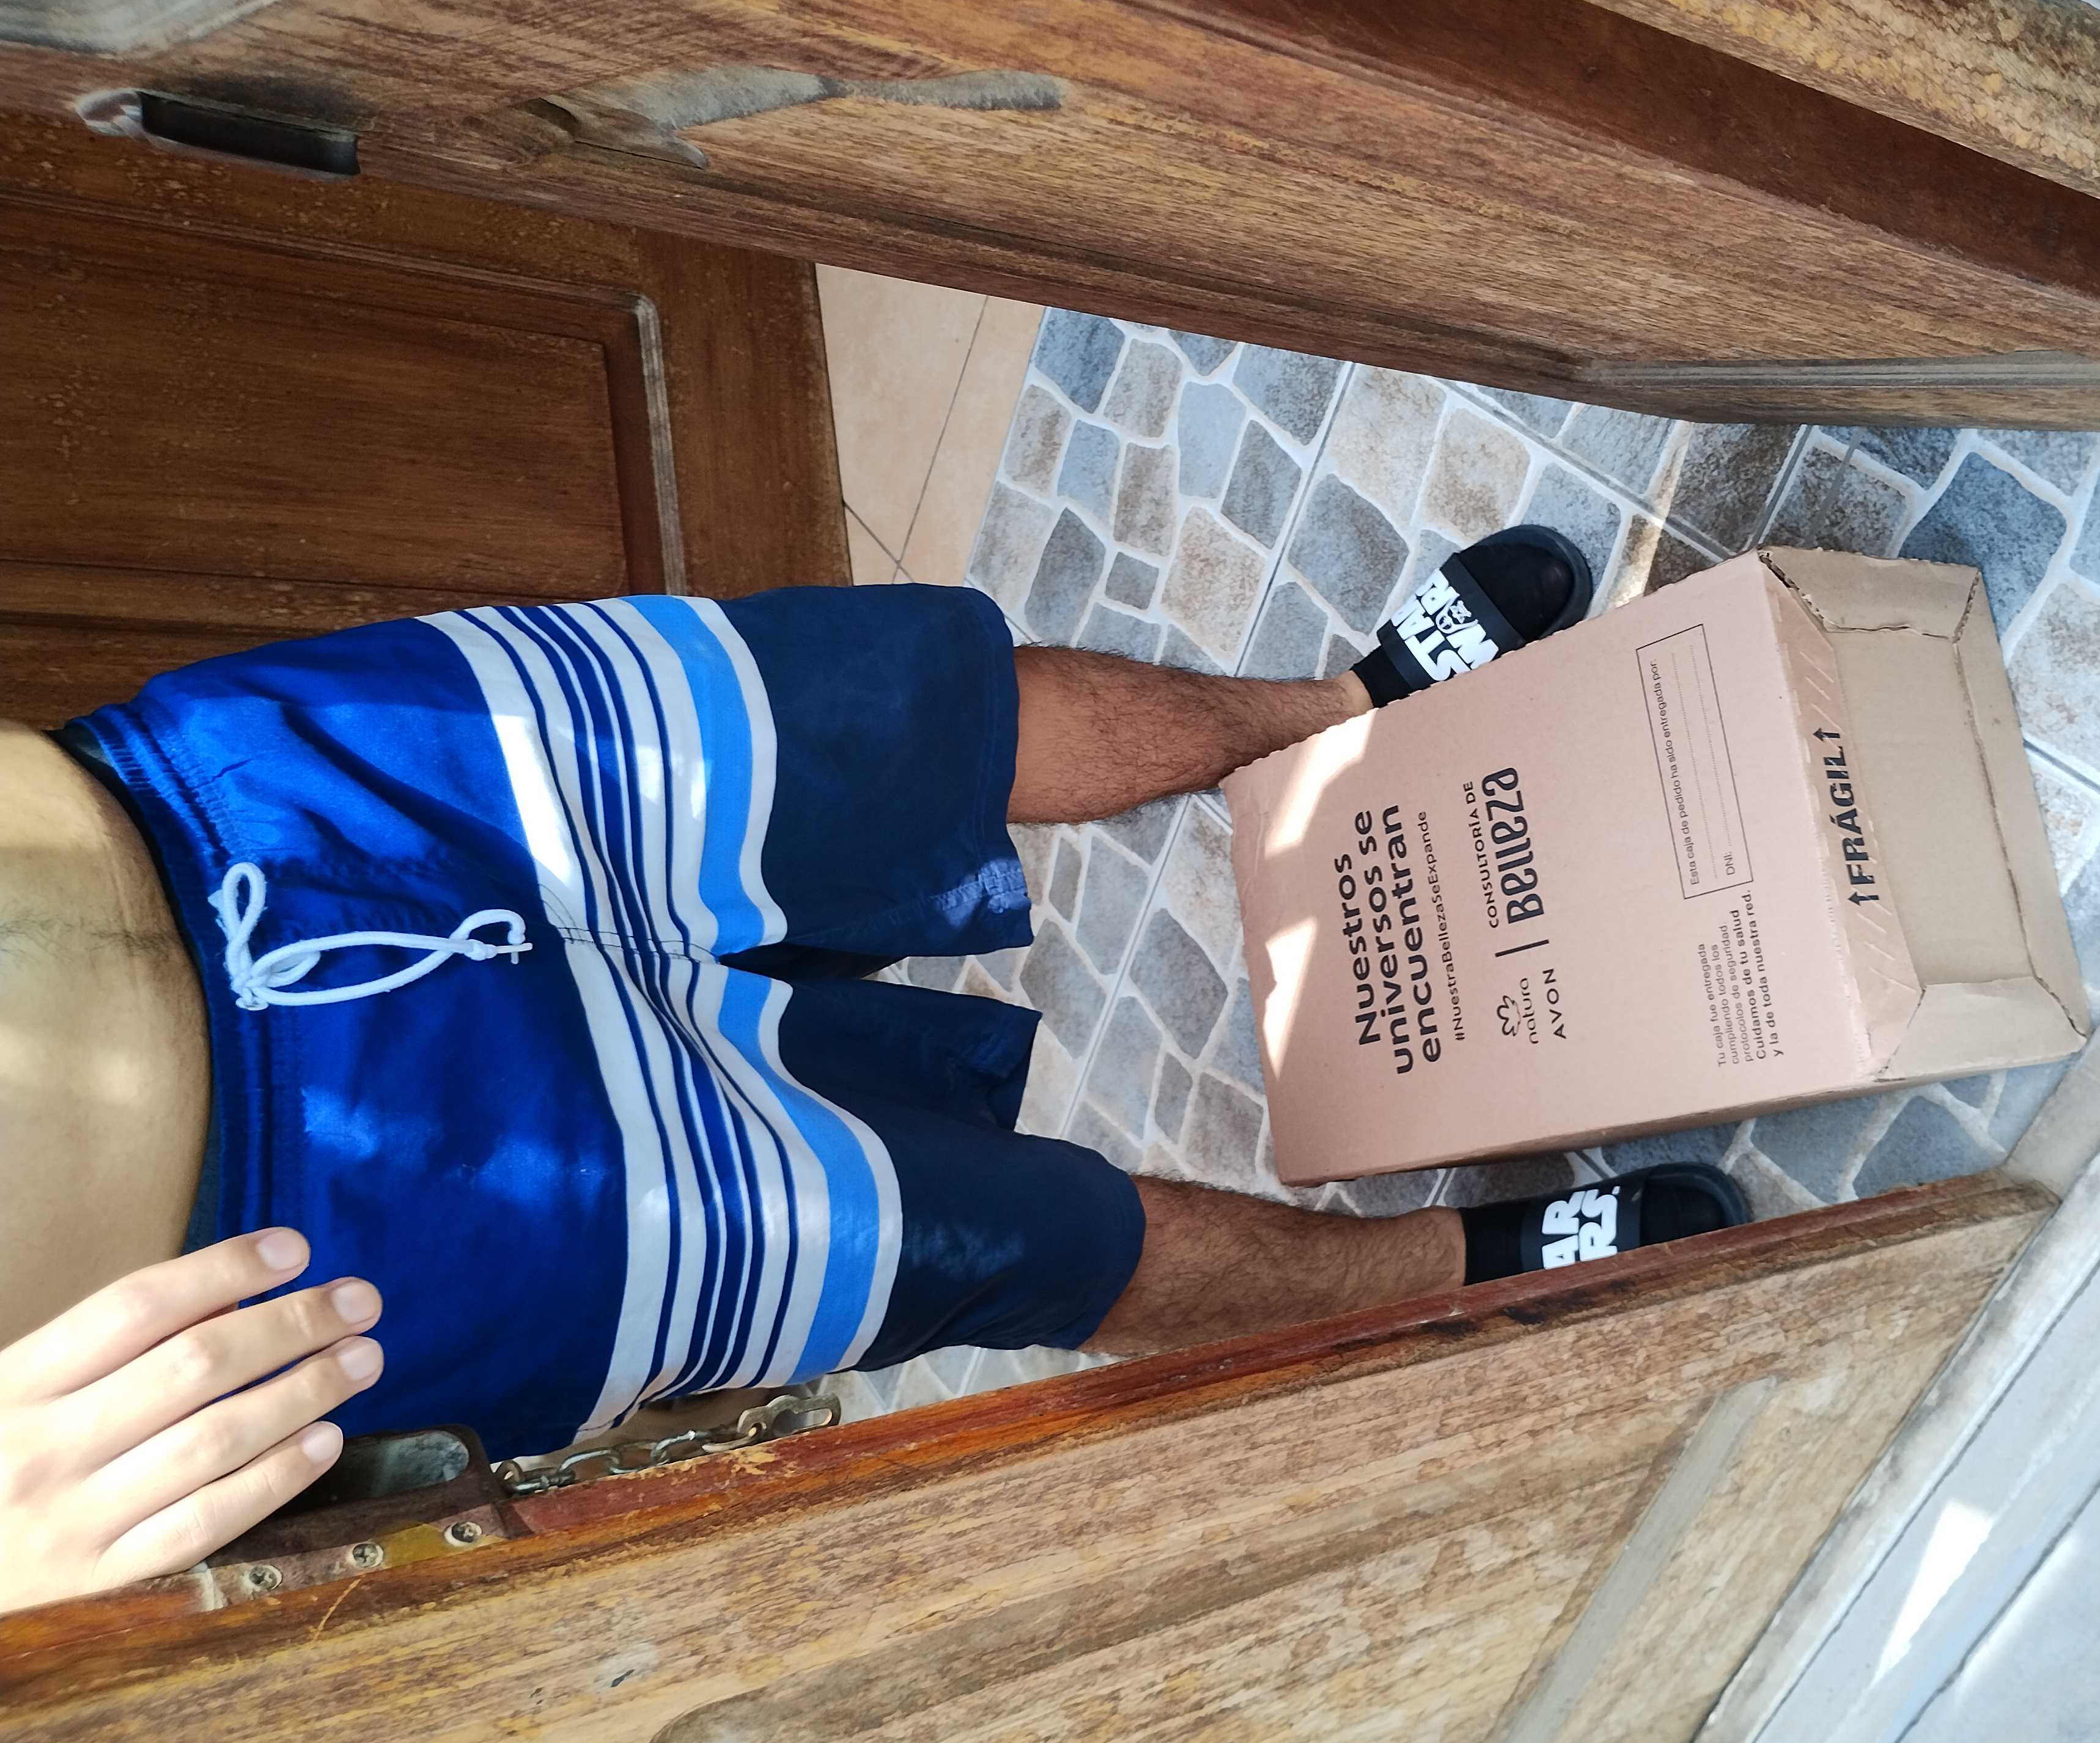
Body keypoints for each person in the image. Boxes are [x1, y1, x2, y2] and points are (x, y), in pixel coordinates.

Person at [0, 526, 1747, 1615]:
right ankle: (1465, 1268)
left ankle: (1337, 709)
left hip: (211, 790)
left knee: (886, 718)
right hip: (283, 1251)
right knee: (984, 1240)